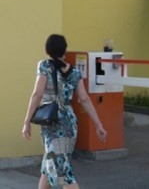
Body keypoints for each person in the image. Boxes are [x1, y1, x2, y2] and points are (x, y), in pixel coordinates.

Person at [22, 34, 107, 189]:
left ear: (47, 50)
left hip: (53, 123)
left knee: (61, 171)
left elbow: (37, 94)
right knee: (48, 167)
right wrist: (98, 125)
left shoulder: (44, 66)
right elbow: (84, 99)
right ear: (64, 50)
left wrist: (27, 121)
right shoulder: (75, 72)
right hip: (70, 123)